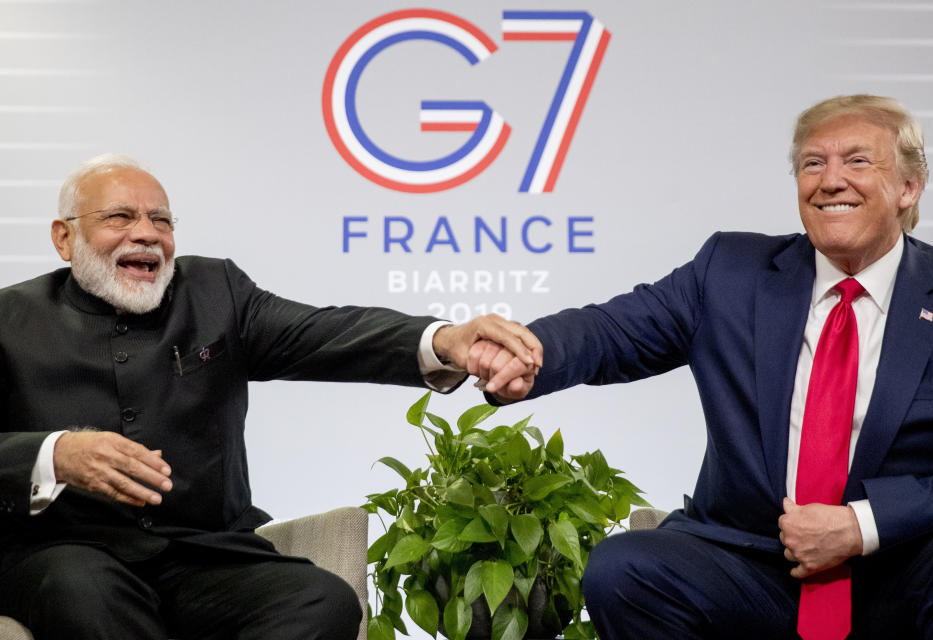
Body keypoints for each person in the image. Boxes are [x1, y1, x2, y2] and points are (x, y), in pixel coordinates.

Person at [467, 95, 933, 639]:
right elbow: (614, 329)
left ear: (909, 187)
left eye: (858, 161)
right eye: (813, 163)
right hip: (749, 565)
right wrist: (530, 352)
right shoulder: (729, 271)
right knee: (623, 569)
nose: (831, 180)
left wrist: (865, 525)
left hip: (899, 570)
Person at [0, 154, 542, 640]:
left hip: (206, 556)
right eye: (120, 217)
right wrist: (54, 454)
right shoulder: (9, 320)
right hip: (64, 555)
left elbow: (327, 333)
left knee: (320, 601)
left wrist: (445, 340)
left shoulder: (216, 292)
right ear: (64, 237)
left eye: (161, 220)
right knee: (82, 591)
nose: (146, 233)